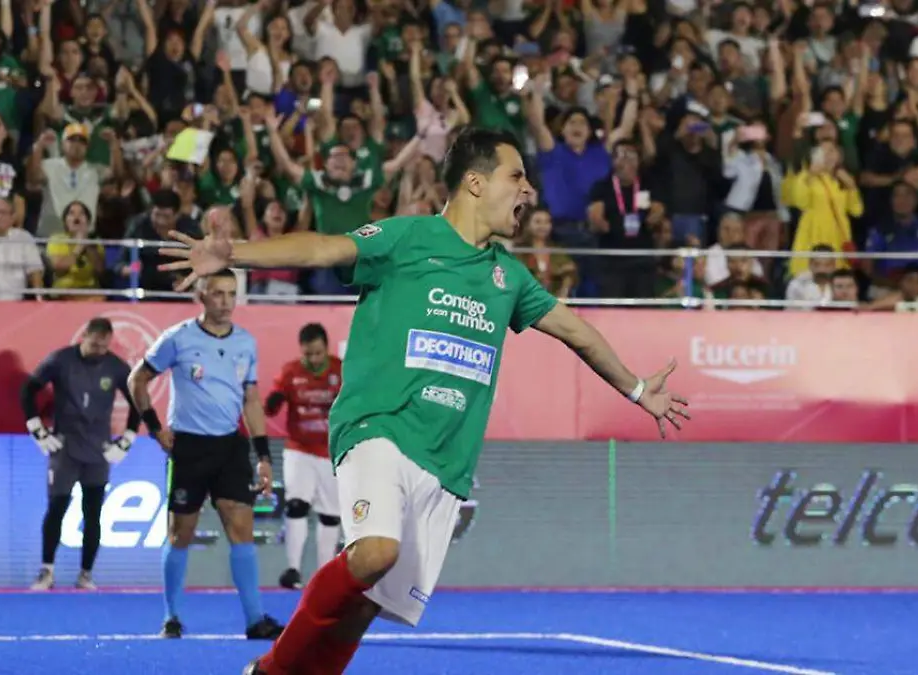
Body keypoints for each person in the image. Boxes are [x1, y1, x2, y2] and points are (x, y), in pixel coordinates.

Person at [159, 126, 691, 675]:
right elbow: (324, 245)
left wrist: (635, 388)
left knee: (367, 602)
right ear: (476, 183)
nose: (528, 192)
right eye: (517, 178)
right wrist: (233, 253)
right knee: (374, 553)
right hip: (378, 427)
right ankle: (268, 671)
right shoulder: (406, 238)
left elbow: (574, 330)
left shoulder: (508, 276)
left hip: (444, 461)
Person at [126, 251, 285, 641]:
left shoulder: (246, 343)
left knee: (242, 528)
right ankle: (171, 616)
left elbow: (251, 400)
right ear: (202, 296)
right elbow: (137, 381)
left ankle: (255, 619)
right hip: (190, 450)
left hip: (231, 448)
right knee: (181, 533)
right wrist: (154, 428)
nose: (226, 301)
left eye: (232, 293)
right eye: (218, 293)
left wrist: (263, 457)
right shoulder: (177, 338)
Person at [20, 317, 140, 591]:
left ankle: (86, 574)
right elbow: (28, 389)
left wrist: (127, 439)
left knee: (93, 513)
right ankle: (46, 571)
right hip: (65, 448)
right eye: (94, 344)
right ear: (83, 336)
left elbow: (137, 401)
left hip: (98, 451)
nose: (98, 350)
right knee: (57, 509)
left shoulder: (116, 367)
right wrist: (36, 427)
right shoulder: (60, 360)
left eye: (104, 346)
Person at [265, 322, 344, 590]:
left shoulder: (340, 370)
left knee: (330, 515)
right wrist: (274, 401)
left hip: (331, 451)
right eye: (308, 354)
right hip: (299, 448)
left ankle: (324, 574)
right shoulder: (290, 372)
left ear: (326, 348)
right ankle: (293, 569)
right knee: (296, 505)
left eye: (318, 353)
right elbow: (274, 399)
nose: (313, 359)